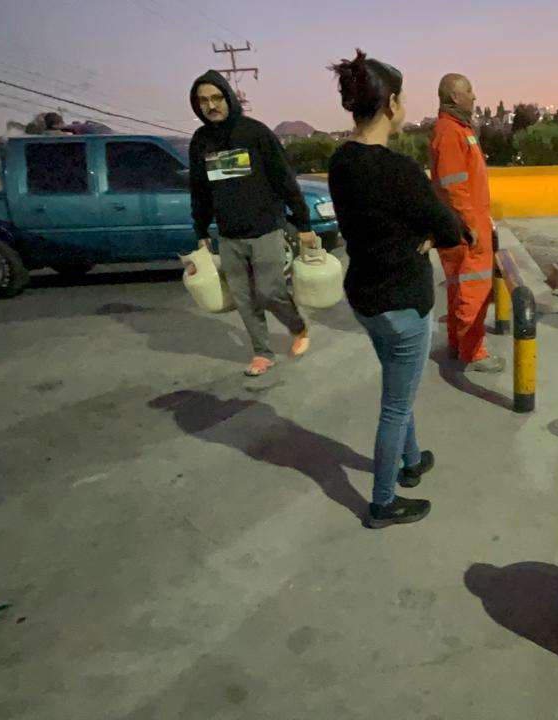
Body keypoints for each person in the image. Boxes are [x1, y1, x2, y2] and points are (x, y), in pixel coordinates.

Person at [327, 50, 466, 529]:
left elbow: (375, 221)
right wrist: (428, 235)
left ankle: (411, 461)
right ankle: (382, 503)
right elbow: (448, 227)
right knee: (395, 405)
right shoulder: (398, 170)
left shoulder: (341, 161)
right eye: (402, 99)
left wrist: (416, 232)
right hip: (402, 302)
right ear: (390, 104)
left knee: (396, 385)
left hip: (365, 298)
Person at [188, 70, 315, 377]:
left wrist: (303, 223)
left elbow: (284, 179)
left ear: (228, 98)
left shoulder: (254, 133)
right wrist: (201, 229)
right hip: (229, 235)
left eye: (216, 98)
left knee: (269, 291)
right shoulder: (201, 142)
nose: (211, 105)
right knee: (244, 299)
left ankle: (297, 327)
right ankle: (262, 352)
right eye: (203, 101)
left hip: (265, 229)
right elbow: (200, 190)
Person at [429, 73, 505, 373]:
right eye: (469, 91)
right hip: (466, 227)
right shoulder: (450, 131)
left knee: (458, 289)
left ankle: (458, 344)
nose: (474, 96)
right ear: (454, 97)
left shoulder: (456, 128)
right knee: (473, 290)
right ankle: (473, 352)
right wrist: (472, 224)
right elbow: (453, 184)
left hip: (462, 223)